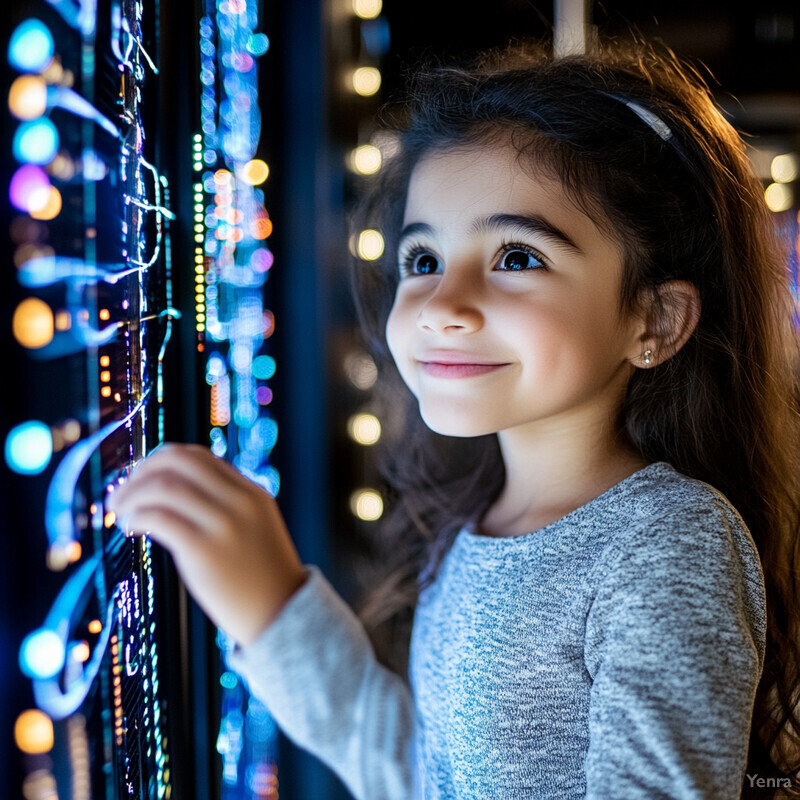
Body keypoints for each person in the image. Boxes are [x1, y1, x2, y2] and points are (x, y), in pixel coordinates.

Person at [106, 33, 800, 800]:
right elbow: (419, 775)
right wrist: (274, 609)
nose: (443, 307)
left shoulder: (668, 541)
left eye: (517, 258)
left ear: (655, 322)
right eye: (423, 261)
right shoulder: (477, 526)